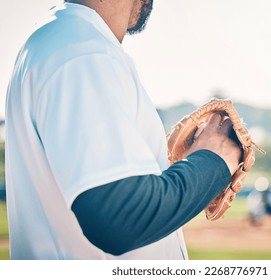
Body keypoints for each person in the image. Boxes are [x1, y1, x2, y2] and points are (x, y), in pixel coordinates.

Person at [5, 0, 241, 260]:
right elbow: (119, 216)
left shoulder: (63, 40)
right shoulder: (83, 50)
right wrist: (213, 160)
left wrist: (188, 172)